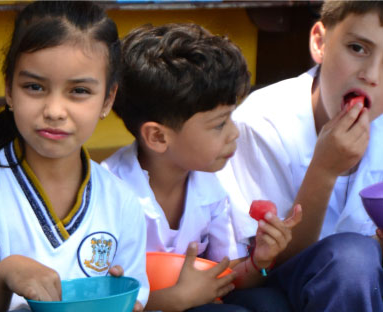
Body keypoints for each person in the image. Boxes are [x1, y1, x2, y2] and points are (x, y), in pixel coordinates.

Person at [0, 1, 149, 311]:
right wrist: (6, 273)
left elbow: (136, 296)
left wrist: (120, 299)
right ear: (9, 89)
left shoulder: (122, 201)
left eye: (79, 91)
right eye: (34, 87)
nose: (54, 111)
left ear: (108, 99)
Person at [101, 23, 301, 312]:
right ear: (158, 137)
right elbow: (100, 298)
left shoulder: (210, 187)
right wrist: (173, 300)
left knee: (269, 303)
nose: (234, 133)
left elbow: (224, 274)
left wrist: (260, 260)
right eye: (219, 124)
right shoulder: (109, 194)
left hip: (195, 302)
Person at [216, 1, 383, 310]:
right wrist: (324, 169)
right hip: (274, 287)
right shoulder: (260, 124)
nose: (371, 75)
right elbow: (261, 267)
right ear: (320, 42)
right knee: (352, 259)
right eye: (357, 48)